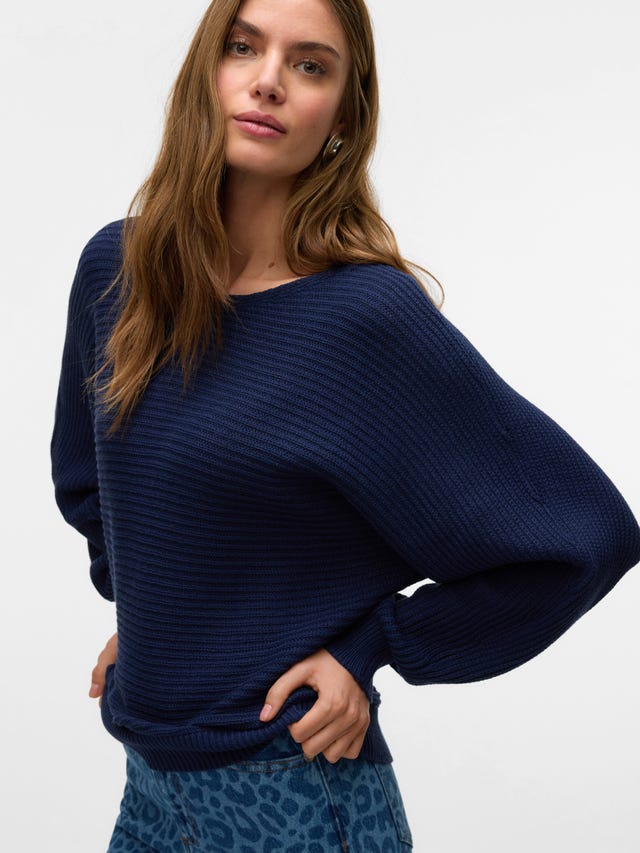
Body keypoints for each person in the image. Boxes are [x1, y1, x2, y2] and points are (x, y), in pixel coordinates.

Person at [50, 0, 640, 850]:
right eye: (242, 47)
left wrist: (374, 644)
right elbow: (91, 481)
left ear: (342, 118)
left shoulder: (363, 319)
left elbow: (584, 534)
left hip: (295, 792)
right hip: (149, 789)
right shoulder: (119, 268)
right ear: (202, 73)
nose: (268, 82)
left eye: (310, 65)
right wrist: (155, 619)